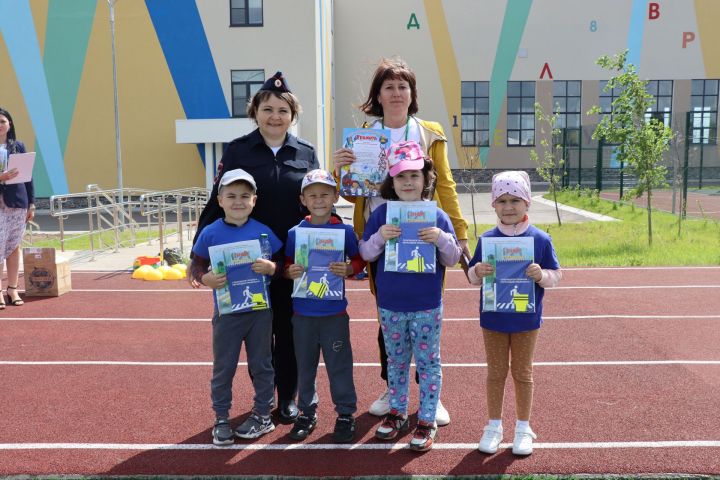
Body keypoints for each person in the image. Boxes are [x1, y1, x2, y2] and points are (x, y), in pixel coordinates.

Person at [333, 57, 468, 425]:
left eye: (402, 86)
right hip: (383, 234)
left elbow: (446, 187)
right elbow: (350, 194)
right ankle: (390, 388)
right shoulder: (364, 134)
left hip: (426, 235)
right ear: (378, 94)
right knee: (388, 315)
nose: (396, 93)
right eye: (388, 87)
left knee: (424, 314)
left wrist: (460, 232)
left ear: (412, 94)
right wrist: (340, 169)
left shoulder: (430, 132)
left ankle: (430, 395)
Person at [192, 71, 319, 424]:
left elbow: (317, 201)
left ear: (292, 114)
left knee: (290, 331)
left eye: (282, 110)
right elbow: (217, 202)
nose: (275, 116)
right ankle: (264, 395)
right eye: (267, 109)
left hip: (291, 260)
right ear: (255, 112)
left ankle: (287, 397)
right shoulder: (238, 150)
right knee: (257, 335)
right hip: (247, 263)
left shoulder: (306, 153)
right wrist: (197, 260)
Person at [359, 141, 462, 452]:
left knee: (429, 362)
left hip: (426, 305)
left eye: (415, 176)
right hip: (390, 305)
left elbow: (453, 257)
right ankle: (397, 412)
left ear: (426, 180)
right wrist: (380, 237)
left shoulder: (438, 217)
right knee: (397, 361)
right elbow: (364, 252)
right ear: (392, 181)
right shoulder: (381, 215)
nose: (408, 182)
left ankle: (427, 418)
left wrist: (441, 238)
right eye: (401, 176)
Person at [468, 171, 562, 456]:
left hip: (525, 320)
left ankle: (523, 427)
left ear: (527, 203)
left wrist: (540, 275)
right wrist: (478, 271)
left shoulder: (540, 239)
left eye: (515, 200)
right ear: (494, 205)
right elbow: (472, 277)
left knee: (523, 373)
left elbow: (557, 275)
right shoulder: (486, 240)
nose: (509, 207)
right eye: (502, 200)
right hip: (494, 319)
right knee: (495, 373)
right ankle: (494, 426)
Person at [190, 168, 283, 445]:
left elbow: (281, 266)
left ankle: (263, 415)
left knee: (262, 365)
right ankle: (221, 419)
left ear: (254, 200)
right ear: (219, 200)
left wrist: (272, 267)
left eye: (245, 195)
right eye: (231, 196)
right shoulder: (210, 233)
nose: (238, 201)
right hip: (227, 314)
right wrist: (204, 277)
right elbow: (196, 265)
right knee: (224, 367)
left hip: (259, 313)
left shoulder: (264, 233)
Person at [283, 169, 365, 443]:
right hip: (303, 315)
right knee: (305, 366)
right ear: (303, 199)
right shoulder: (295, 233)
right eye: (312, 195)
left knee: (339, 365)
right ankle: (307, 412)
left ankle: (345, 414)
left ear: (335, 197)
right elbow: (286, 266)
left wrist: (349, 269)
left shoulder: (344, 231)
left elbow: (358, 262)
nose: (319, 200)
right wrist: (290, 271)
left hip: (334, 315)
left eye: (325, 194)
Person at [0, 107, 35, 309]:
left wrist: (31, 203)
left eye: (2, 121)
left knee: (13, 247)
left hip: (17, 205)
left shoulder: (17, 146)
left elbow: (29, 178)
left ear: (9, 124)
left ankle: (12, 289)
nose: (0, 125)